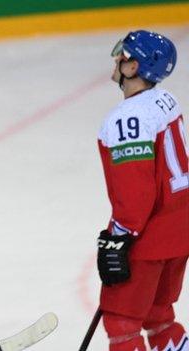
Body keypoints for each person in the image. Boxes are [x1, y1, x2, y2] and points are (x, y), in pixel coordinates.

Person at [96, 30, 188, 351]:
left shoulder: (125, 120)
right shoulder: (166, 100)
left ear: (133, 68)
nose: (116, 58)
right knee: (159, 315)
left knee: (123, 323)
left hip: (148, 238)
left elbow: (136, 194)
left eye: (123, 54)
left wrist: (117, 238)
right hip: (180, 232)